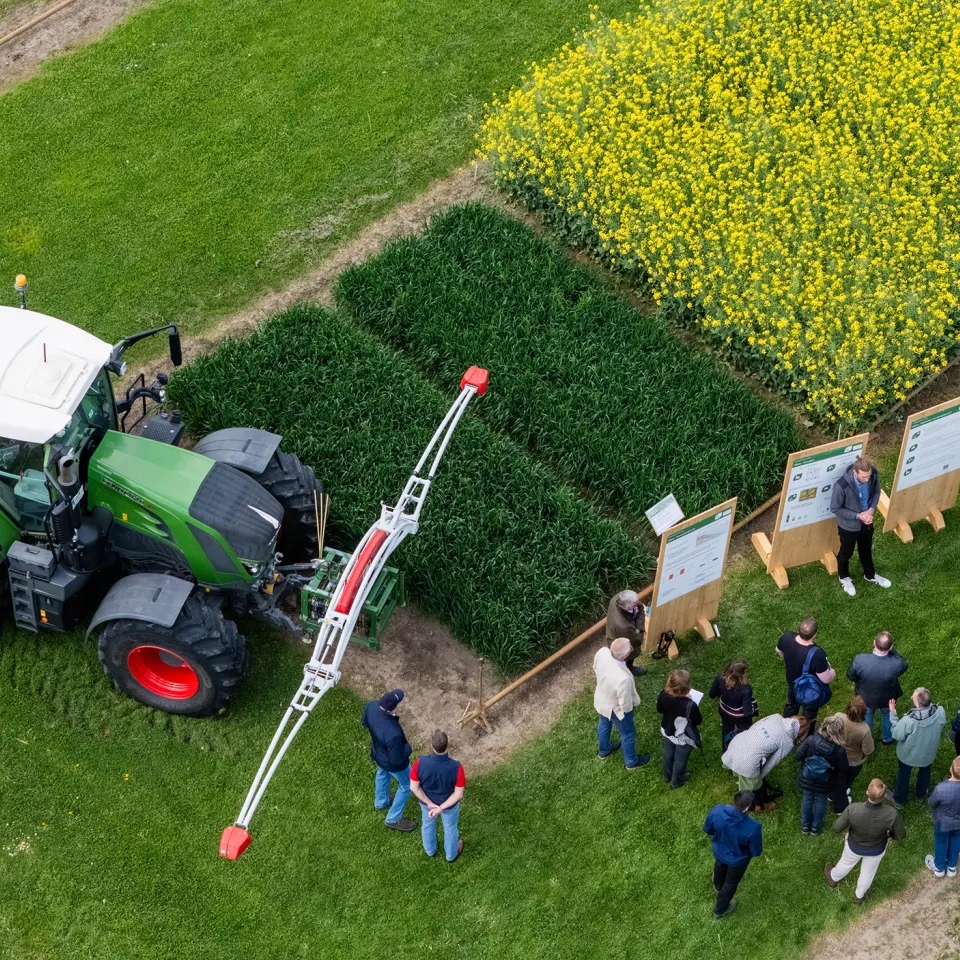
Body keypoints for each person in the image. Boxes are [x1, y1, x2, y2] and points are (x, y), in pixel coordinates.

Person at [824, 778, 905, 903]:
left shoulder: (853, 809)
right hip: (876, 849)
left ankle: (833, 878)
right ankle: (859, 896)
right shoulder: (891, 814)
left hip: (854, 846)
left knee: (845, 863)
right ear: (884, 796)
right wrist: (890, 835)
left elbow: (836, 828)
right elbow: (901, 835)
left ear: (867, 792)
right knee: (868, 873)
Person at [830, 454, 891, 597]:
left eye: (868, 476)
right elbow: (835, 509)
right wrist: (859, 516)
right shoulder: (841, 486)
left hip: (866, 523)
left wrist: (870, 510)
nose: (867, 480)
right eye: (863, 477)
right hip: (848, 527)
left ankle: (870, 575)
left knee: (866, 550)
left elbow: (876, 493)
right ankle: (844, 577)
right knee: (846, 553)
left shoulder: (873, 475)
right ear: (855, 472)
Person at [361, 688, 415, 832]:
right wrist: (408, 749)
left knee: (382, 773)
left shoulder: (371, 706)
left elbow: (365, 722)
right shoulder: (393, 733)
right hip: (393, 762)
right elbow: (397, 759)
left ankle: (381, 801)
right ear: (393, 708)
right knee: (408, 785)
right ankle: (393, 818)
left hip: (379, 753)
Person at [703, 790, 763, 919]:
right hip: (738, 860)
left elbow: (708, 829)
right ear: (747, 808)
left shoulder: (717, 810)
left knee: (719, 866)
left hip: (719, 851)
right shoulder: (753, 827)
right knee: (731, 882)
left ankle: (718, 886)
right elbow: (755, 851)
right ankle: (720, 910)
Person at [722, 715, 800, 811]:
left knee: (753, 777)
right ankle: (758, 806)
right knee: (755, 784)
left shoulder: (777, 716)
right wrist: (759, 777)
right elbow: (772, 762)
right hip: (747, 761)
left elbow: (754, 726)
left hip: (737, 742)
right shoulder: (788, 742)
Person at [593, 637, 650, 767]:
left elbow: (595, 667)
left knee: (604, 723)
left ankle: (604, 750)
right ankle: (631, 762)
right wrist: (628, 712)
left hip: (602, 699)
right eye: (630, 648)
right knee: (628, 733)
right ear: (624, 656)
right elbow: (625, 704)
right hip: (616, 709)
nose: (631, 648)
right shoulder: (623, 678)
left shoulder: (602, 653)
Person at [409, 729, 465, 861]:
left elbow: (414, 787)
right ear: (447, 745)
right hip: (449, 806)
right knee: (450, 828)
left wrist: (429, 803)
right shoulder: (456, 767)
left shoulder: (420, 763)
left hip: (427, 804)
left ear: (432, 746)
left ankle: (430, 851)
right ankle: (451, 855)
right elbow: (458, 794)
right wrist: (441, 807)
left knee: (427, 824)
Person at [846, 631, 909, 744]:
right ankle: (888, 738)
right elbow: (904, 665)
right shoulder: (897, 663)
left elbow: (850, 676)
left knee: (867, 716)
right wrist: (892, 650)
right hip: (888, 698)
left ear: (874, 642)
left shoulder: (860, 660)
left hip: (865, 698)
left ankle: (869, 739)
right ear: (890, 647)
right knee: (887, 715)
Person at [889, 687, 947, 808]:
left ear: (917, 702)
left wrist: (893, 714)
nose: (911, 697)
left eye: (913, 696)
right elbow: (941, 723)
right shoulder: (940, 711)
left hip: (908, 755)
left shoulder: (908, 721)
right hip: (928, 753)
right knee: (925, 772)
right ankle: (920, 795)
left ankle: (899, 800)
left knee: (904, 775)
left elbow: (896, 734)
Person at [796, 714, 850, 834]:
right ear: (839, 732)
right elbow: (843, 770)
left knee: (807, 798)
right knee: (821, 801)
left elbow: (798, 755)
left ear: (824, 726)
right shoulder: (839, 750)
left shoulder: (811, 740)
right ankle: (815, 828)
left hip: (808, 776)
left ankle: (805, 826)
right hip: (826, 780)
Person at [776, 617, 835, 722]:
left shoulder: (786, 637)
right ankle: (805, 731)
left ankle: (786, 727)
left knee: (791, 704)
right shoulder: (817, 654)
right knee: (809, 712)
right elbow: (826, 679)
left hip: (792, 681)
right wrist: (832, 671)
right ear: (815, 634)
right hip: (809, 688)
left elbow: (778, 650)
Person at [657, 669, 703, 789]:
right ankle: (677, 781)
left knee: (668, 753)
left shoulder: (663, 694)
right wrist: (690, 701)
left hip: (667, 730)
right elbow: (698, 721)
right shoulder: (690, 705)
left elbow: (659, 709)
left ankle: (667, 775)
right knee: (680, 759)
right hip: (682, 735)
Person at [709, 659, 755, 754]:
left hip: (724, 711)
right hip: (740, 718)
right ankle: (746, 753)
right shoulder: (745, 689)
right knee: (746, 734)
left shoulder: (720, 679)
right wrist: (753, 707)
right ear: (742, 675)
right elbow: (747, 713)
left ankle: (726, 753)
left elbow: (712, 694)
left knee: (726, 731)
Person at [926, 756, 960, 879]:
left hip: (942, 822)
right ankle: (952, 868)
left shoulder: (941, 789)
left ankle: (939, 868)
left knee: (941, 841)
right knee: (956, 840)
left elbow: (931, 803)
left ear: (951, 769)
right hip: (959, 822)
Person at [605, 589, 647, 677]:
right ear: (626, 607)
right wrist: (638, 630)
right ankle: (629, 670)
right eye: (635, 604)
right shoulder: (624, 626)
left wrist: (636, 616)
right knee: (627, 656)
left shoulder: (618, 598)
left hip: (615, 634)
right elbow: (637, 640)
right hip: (621, 640)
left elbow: (640, 607)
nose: (638, 603)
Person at [837, 698, 875, 794]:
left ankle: (832, 793)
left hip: (836, 754)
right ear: (864, 713)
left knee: (837, 774)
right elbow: (868, 750)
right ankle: (842, 792)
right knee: (849, 777)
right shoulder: (865, 730)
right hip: (854, 761)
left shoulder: (838, 717)